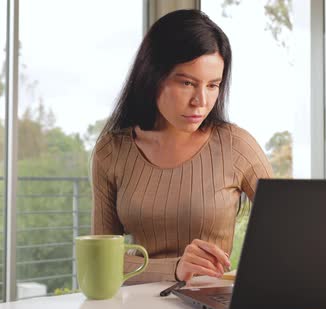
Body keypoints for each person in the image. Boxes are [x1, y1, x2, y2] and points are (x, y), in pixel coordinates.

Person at [92, 9, 273, 284]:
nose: (201, 100)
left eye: (213, 85)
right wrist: (174, 269)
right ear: (152, 76)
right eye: (187, 83)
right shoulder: (111, 152)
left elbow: (290, 235)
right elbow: (102, 260)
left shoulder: (238, 146)